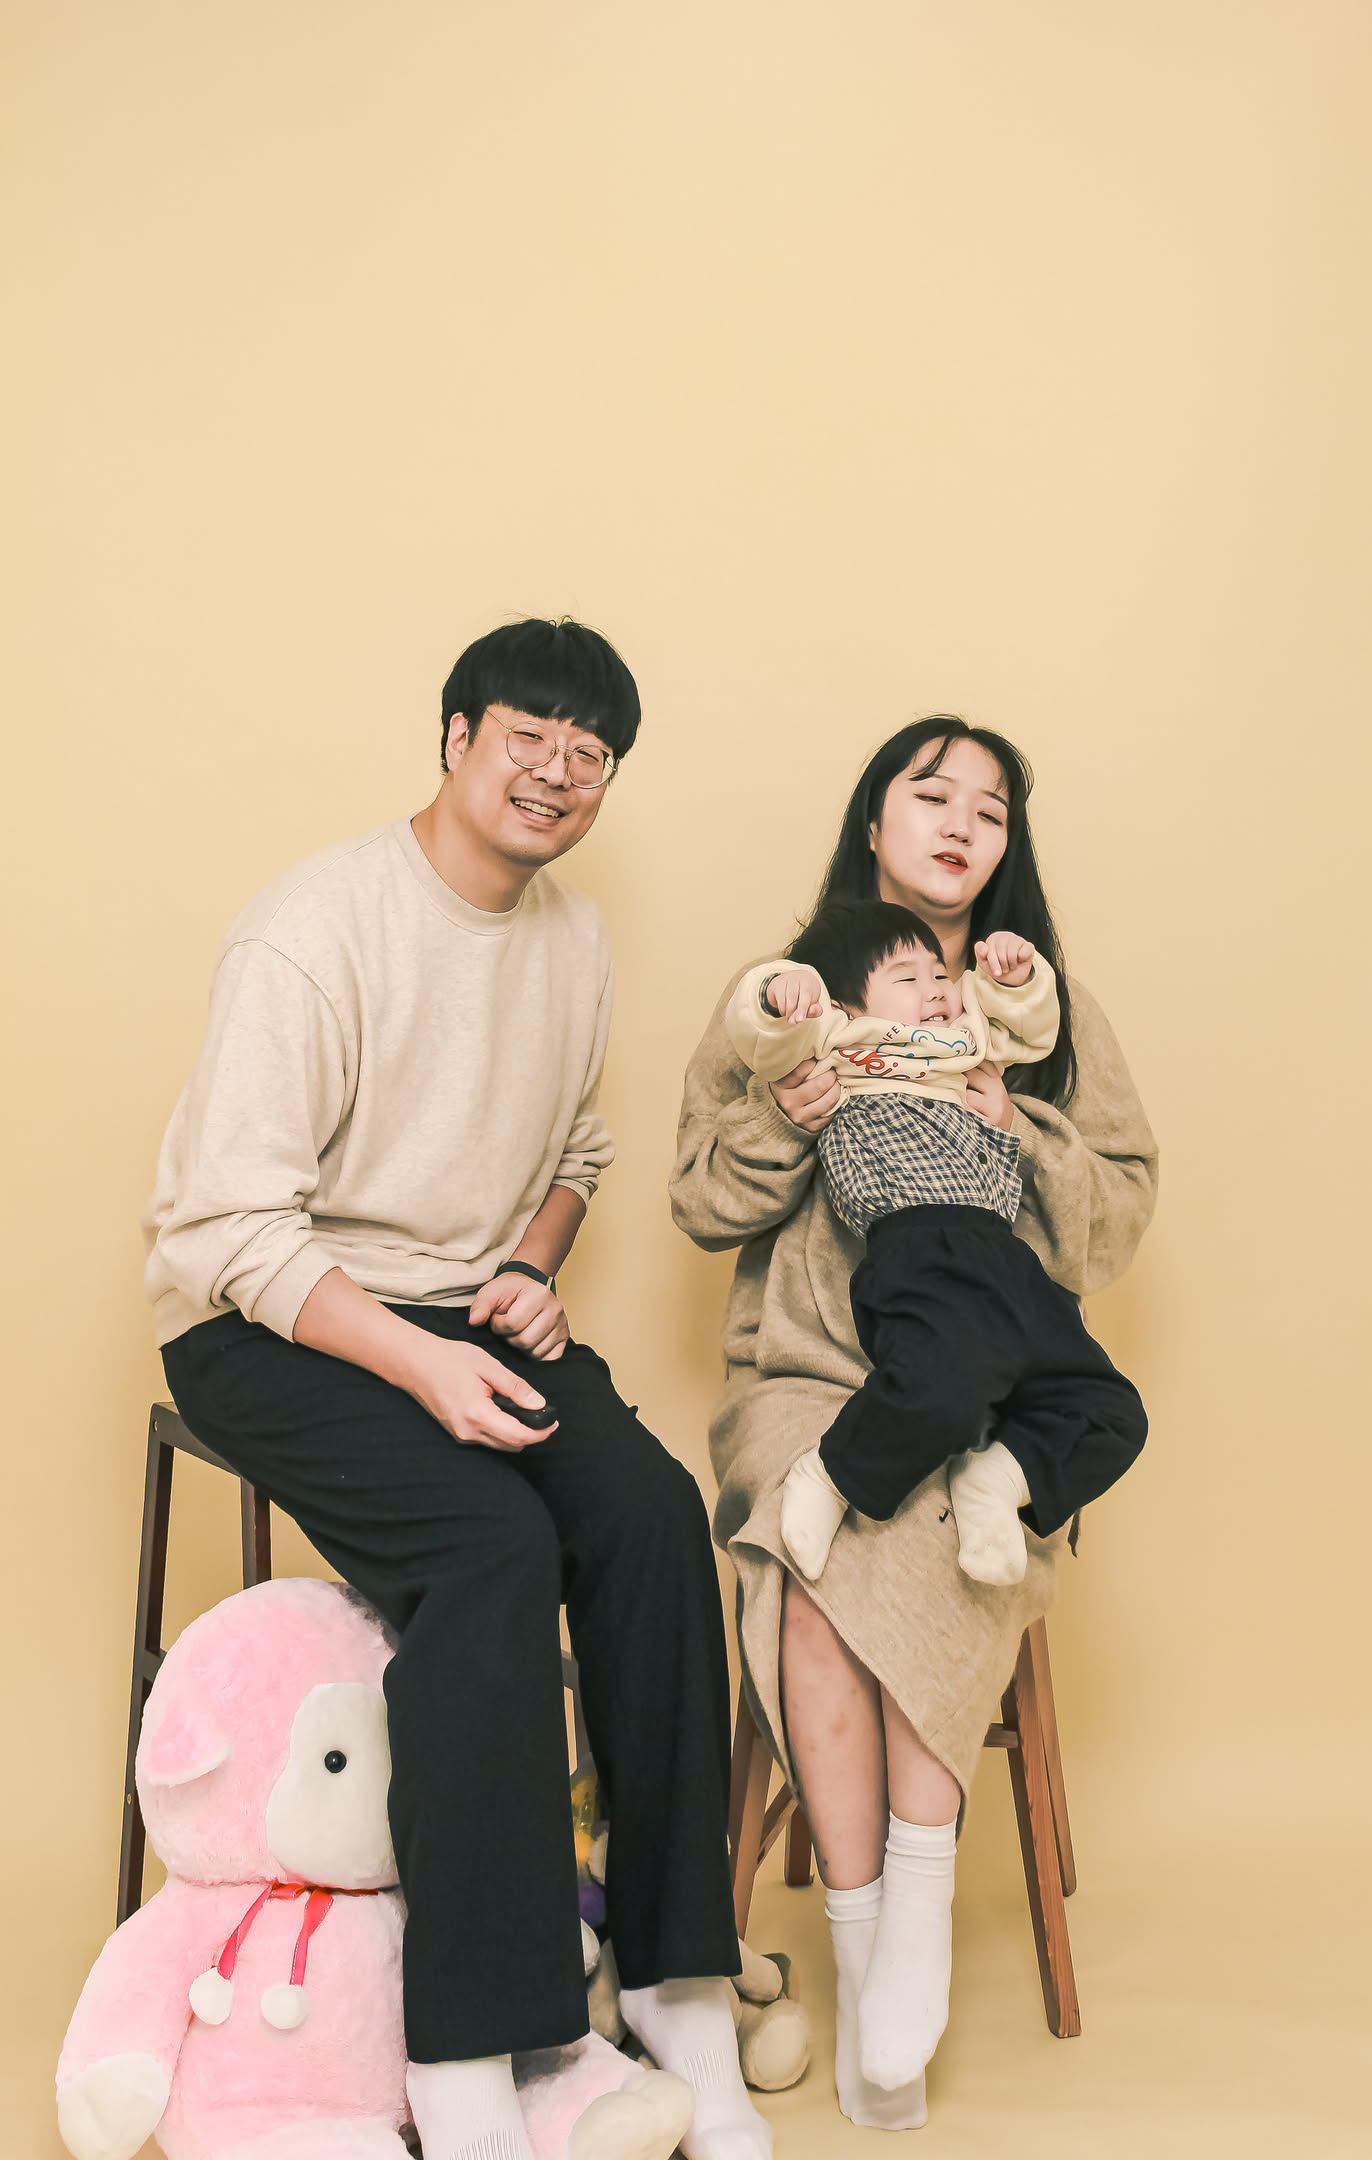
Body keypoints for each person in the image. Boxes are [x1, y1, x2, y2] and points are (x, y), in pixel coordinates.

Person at [145, 619, 770, 2160]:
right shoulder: (313, 929)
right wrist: (424, 1362)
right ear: (454, 738)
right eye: (526, 737)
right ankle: (478, 2055)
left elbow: (575, 1149)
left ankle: (676, 1979)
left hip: (462, 1308)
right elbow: (229, 1230)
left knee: (648, 1514)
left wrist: (532, 1268)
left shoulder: (573, 938)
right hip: (263, 1317)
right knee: (491, 1544)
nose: (557, 772)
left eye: (589, 752)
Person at [671, 718, 1158, 2132]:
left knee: (946, 1529)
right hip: (804, 1377)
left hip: (983, 1381)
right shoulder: (785, 997)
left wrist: (1021, 1131)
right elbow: (698, 1201)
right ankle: (866, 1936)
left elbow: (1120, 1208)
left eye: (989, 811)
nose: (959, 824)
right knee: (812, 1547)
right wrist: (787, 1115)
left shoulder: (1034, 1007)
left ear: (1007, 850)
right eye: (930, 795)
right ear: (873, 822)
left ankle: (917, 1924)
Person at [724, 898, 1146, 1588]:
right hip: (914, 1243)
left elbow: (1028, 1026)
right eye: (907, 977)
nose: (937, 990)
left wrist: (1014, 979)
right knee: (946, 1387)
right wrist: (779, 991)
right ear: (845, 1004)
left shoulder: (966, 1038)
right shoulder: (839, 1039)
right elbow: (762, 1036)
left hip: (1005, 1253)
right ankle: (832, 1475)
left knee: (1110, 1409)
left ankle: (994, 1480)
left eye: (940, 974)